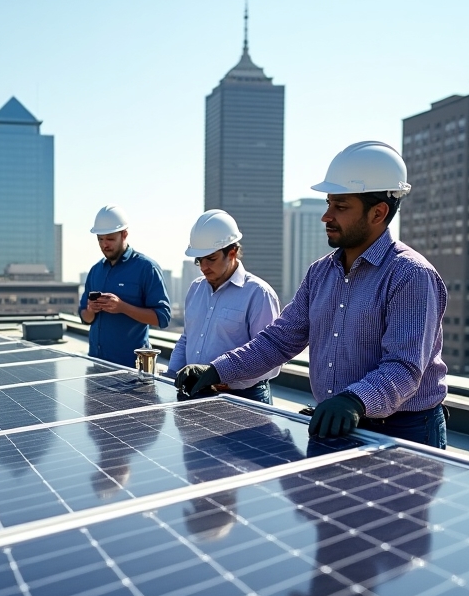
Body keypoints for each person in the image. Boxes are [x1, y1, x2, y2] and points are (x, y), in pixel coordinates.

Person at [176, 141, 449, 448]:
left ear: (378, 213)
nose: (326, 216)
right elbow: (278, 341)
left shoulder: (410, 275)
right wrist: (216, 369)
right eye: (329, 203)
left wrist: (354, 401)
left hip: (403, 432)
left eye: (340, 207)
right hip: (336, 421)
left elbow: (404, 368)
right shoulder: (320, 274)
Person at [169, 210, 280, 404]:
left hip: (244, 398)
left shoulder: (258, 294)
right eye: (198, 260)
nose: (203, 267)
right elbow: (187, 339)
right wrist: (170, 376)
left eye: (210, 259)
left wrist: (220, 378)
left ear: (232, 253)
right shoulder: (195, 289)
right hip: (196, 393)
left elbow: (270, 359)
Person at [80, 205, 171, 367]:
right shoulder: (95, 271)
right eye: (100, 239)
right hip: (95, 364)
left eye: (110, 239)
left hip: (132, 371)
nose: (104, 244)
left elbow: (162, 318)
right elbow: (84, 317)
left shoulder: (146, 268)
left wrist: (122, 307)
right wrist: (91, 310)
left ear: (125, 234)